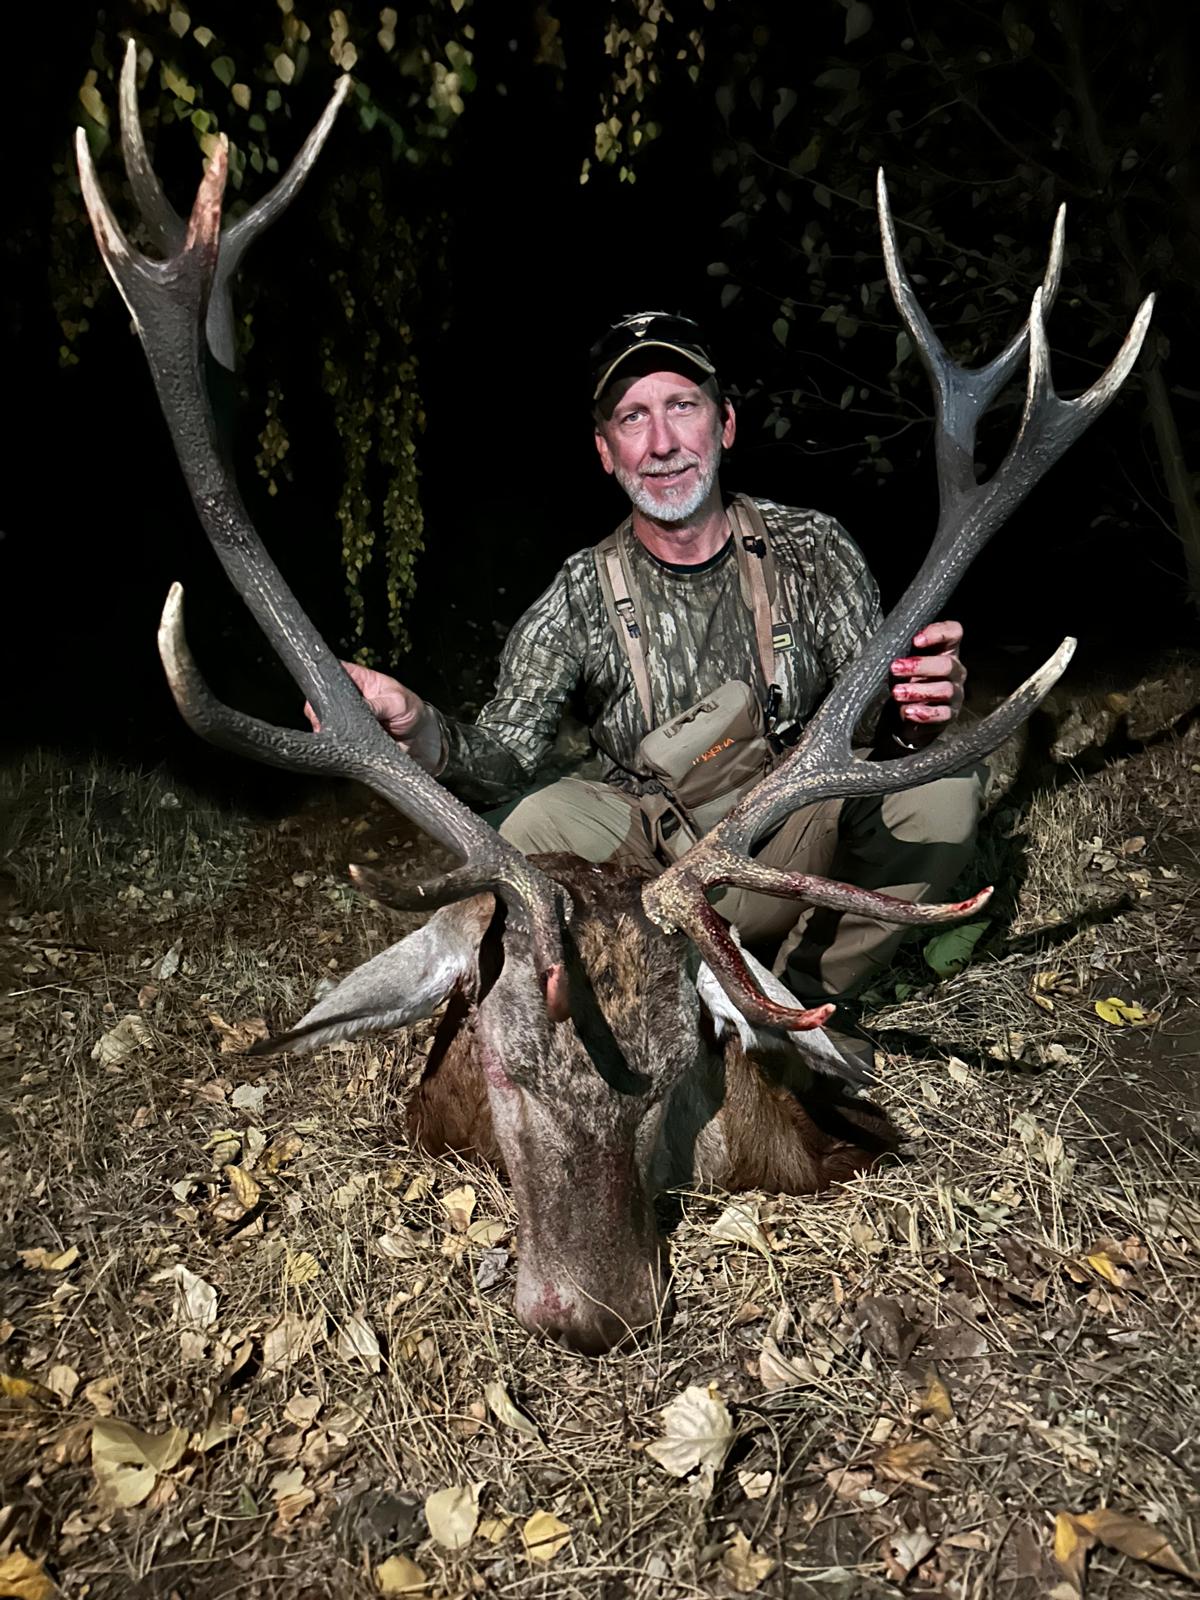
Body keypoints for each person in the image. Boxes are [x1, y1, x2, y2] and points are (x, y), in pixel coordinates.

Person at [320, 312, 981, 1011]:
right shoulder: (578, 594)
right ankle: (637, 1003)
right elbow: (505, 760)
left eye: (682, 406)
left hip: (794, 837)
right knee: (529, 824)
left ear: (725, 425)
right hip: (652, 873)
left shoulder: (812, 548)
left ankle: (804, 1008)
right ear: (606, 451)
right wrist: (423, 728)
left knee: (940, 791)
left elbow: (873, 726)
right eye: (632, 418)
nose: (663, 443)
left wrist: (918, 710)